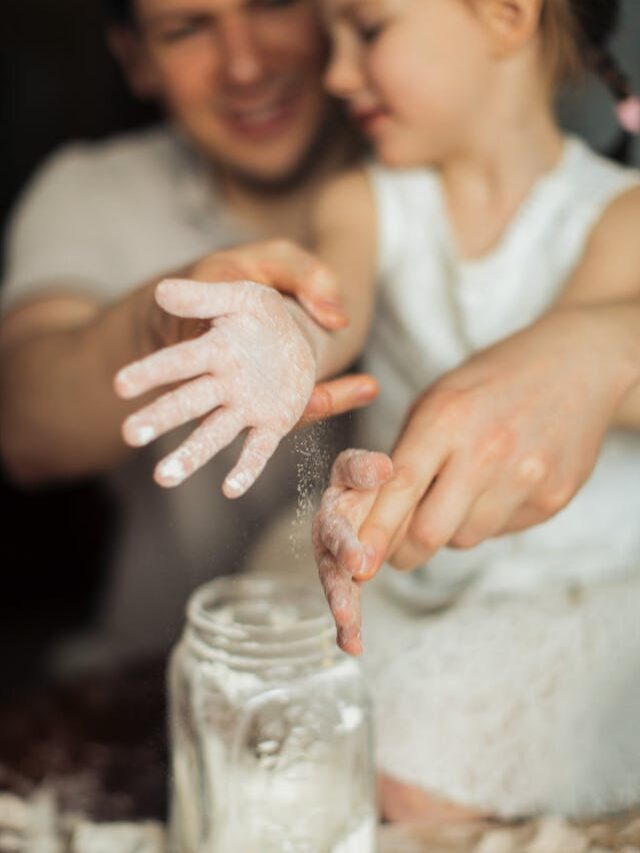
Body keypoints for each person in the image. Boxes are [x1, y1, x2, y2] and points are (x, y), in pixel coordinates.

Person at [115, 0, 640, 821]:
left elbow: (577, 375)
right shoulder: (365, 202)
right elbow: (332, 306)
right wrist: (278, 332)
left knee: (411, 773)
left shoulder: (620, 215)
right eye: (331, 43)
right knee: (260, 706)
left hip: (574, 584)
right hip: (404, 569)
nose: (335, 75)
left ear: (507, 15)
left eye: (368, 32)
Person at [0, 0, 378, 674]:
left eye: (271, 4)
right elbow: (24, 428)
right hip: (162, 662)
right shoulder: (89, 191)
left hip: (390, 660)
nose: (245, 64)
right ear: (136, 61)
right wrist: (166, 318)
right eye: (187, 29)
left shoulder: (421, 157)